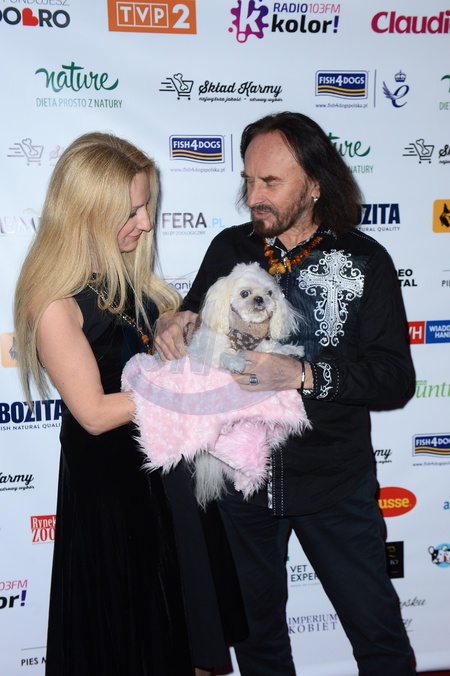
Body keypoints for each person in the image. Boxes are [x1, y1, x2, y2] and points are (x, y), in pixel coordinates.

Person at [155, 112, 417, 675]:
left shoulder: (366, 260)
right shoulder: (229, 247)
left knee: (380, 638)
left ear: (315, 183)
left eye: (270, 182)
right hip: (240, 487)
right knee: (258, 644)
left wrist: (301, 375)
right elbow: (194, 320)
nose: (254, 196)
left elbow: (394, 377)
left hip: (334, 484)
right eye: (248, 180)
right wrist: (173, 323)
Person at [14, 132, 245, 676]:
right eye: (132, 211)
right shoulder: (54, 303)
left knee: (193, 641)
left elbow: (158, 354)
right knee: (137, 644)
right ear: (88, 213)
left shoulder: (131, 283)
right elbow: (94, 414)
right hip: (117, 499)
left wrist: (181, 331)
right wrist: (182, 389)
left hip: (169, 480)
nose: (145, 222)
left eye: (146, 206)